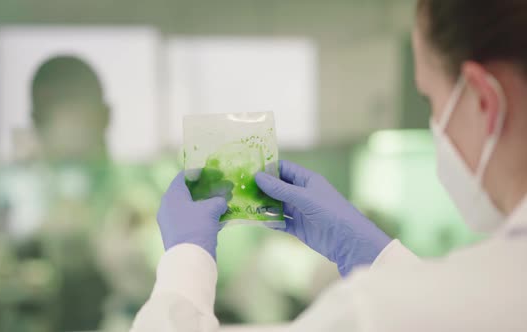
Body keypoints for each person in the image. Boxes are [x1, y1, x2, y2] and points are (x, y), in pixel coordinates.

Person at [131, 0, 527, 331]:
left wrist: (184, 270)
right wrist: (384, 259)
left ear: (483, 102)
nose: (435, 122)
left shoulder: (370, 314)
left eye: (430, 99)